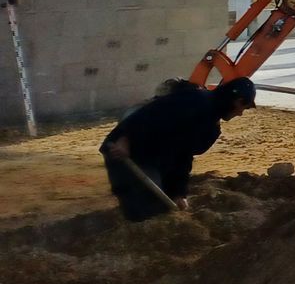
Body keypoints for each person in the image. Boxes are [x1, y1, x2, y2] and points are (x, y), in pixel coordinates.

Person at [98, 77, 256, 222]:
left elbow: (184, 156)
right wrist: (125, 139)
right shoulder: (195, 100)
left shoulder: (211, 128)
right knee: (147, 210)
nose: (241, 114)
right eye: (243, 106)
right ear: (236, 101)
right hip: (125, 152)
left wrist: (179, 193)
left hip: (156, 158)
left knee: (164, 208)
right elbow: (147, 115)